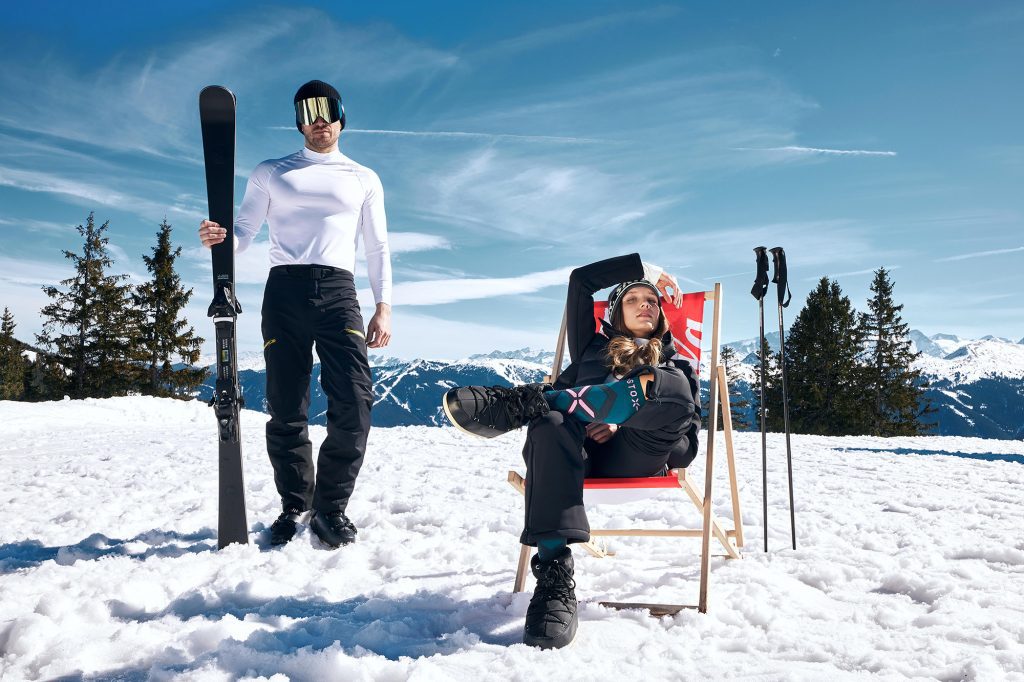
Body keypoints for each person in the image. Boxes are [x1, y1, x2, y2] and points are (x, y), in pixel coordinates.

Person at [442, 253, 701, 649]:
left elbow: (685, 448)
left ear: (664, 318)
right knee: (550, 423)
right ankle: (554, 583)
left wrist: (625, 420)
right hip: (578, 454)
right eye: (633, 299)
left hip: (637, 455)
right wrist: (646, 271)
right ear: (615, 315)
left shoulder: (677, 363)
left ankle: (531, 402)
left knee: (674, 389)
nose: (645, 304)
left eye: (652, 301)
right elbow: (581, 282)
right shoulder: (592, 350)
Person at [199, 80, 392, 549]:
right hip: (283, 290)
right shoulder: (272, 172)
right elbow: (244, 229)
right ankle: (295, 504)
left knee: (354, 400)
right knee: (287, 405)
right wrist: (221, 238)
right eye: (308, 114)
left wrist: (383, 306)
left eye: (325, 112)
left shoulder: (363, 177)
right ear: (299, 122)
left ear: (340, 117)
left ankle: (331, 508)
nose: (318, 122)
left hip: (338, 290)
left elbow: (377, 246)